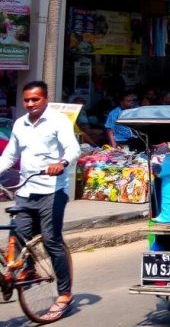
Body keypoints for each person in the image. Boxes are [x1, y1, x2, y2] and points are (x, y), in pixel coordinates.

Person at [0, 81, 80, 321]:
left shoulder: (58, 122)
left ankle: (64, 294)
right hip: (25, 190)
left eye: (35, 99)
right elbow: (10, 155)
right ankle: (27, 270)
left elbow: (73, 149)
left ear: (45, 99)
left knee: (51, 240)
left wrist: (62, 163)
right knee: (18, 236)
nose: (30, 104)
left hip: (52, 190)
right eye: (27, 100)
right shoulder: (19, 124)